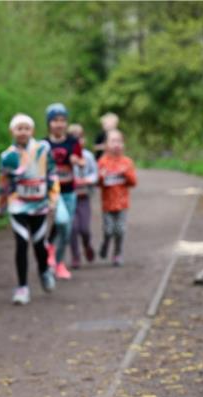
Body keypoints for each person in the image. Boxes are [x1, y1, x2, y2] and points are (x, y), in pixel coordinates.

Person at [0, 114, 59, 305]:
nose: (23, 132)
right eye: (19, 128)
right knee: (21, 244)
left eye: (26, 128)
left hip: (39, 205)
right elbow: (3, 183)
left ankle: (44, 270)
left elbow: (52, 175)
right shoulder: (7, 156)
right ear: (12, 131)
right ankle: (22, 287)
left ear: (32, 131)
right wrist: (0, 206)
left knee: (39, 244)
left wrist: (53, 198)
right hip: (18, 205)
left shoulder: (43, 150)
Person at [43, 103, 82, 281]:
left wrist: (77, 161)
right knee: (62, 220)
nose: (59, 124)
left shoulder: (73, 142)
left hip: (69, 191)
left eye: (62, 120)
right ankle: (50, 248)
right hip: (53, 192)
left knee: (66, 230)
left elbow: (82, 161)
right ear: (49, 123)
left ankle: (58, 262)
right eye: (55, 120)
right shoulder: (44, 144)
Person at [97, 130, 138, 266]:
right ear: (106, 145)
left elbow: (133, 183)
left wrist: (126, 174)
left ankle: (117, 253)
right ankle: (105, 243)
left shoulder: (127, 162)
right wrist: (101, 176)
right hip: (107, 205)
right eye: (113, 141)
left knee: (120, 230)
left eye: (119, 141)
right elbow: (98, 184)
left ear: (123, 144)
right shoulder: (102, 162)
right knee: (108, 230)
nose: (116, 144)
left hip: (122, 204)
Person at [68, 123, 98, 269]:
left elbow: (95, 174)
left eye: (79, 138)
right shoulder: (65, 156)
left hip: (84, 197)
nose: (77, 141)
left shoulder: (88, 156)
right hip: (69, 197)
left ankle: (87, 245)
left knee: (84, 228)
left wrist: (87, 180)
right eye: (73, 138)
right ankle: (75, 255)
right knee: (73, 228)